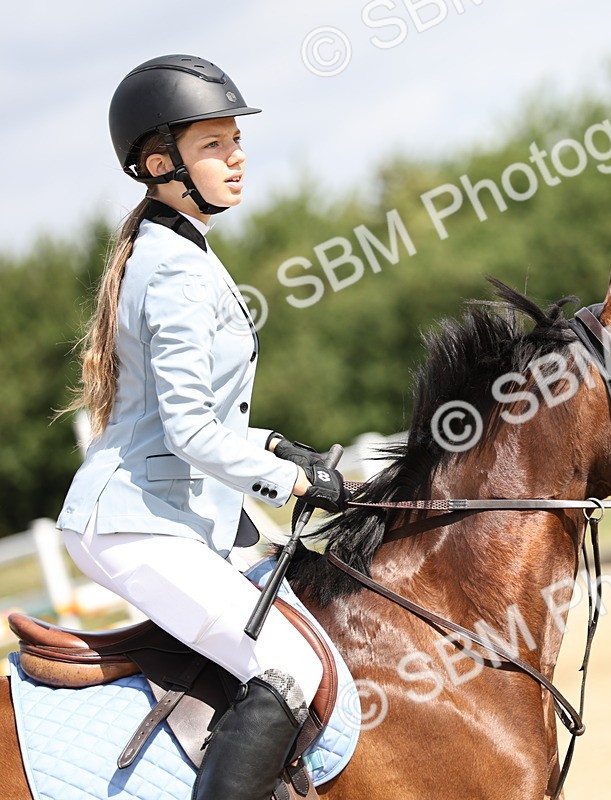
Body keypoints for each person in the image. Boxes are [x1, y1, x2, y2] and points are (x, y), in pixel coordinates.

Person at [55, 54, 349, 800]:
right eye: (214, 145)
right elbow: (189, 432)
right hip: (132, 524)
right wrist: (287, 479)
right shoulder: (178, 270)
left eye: (236, 141)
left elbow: (187, 421)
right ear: (161, 165)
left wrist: (278, 446)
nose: (237, 158)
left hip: (165, 511)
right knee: (290, 668)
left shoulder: (178, 247)